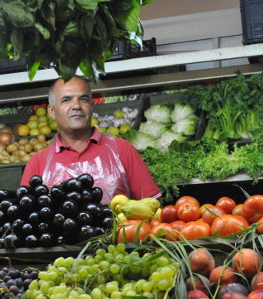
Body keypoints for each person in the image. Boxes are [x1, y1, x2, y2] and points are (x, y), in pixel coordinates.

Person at [20, 76, 161, 204]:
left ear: (91, 108)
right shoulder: (37, 163)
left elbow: (152, 206)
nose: (76, 106)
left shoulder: (122, 149)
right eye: (66, 100)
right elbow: (27, 216)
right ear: (51, 111)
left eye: (83, 99)